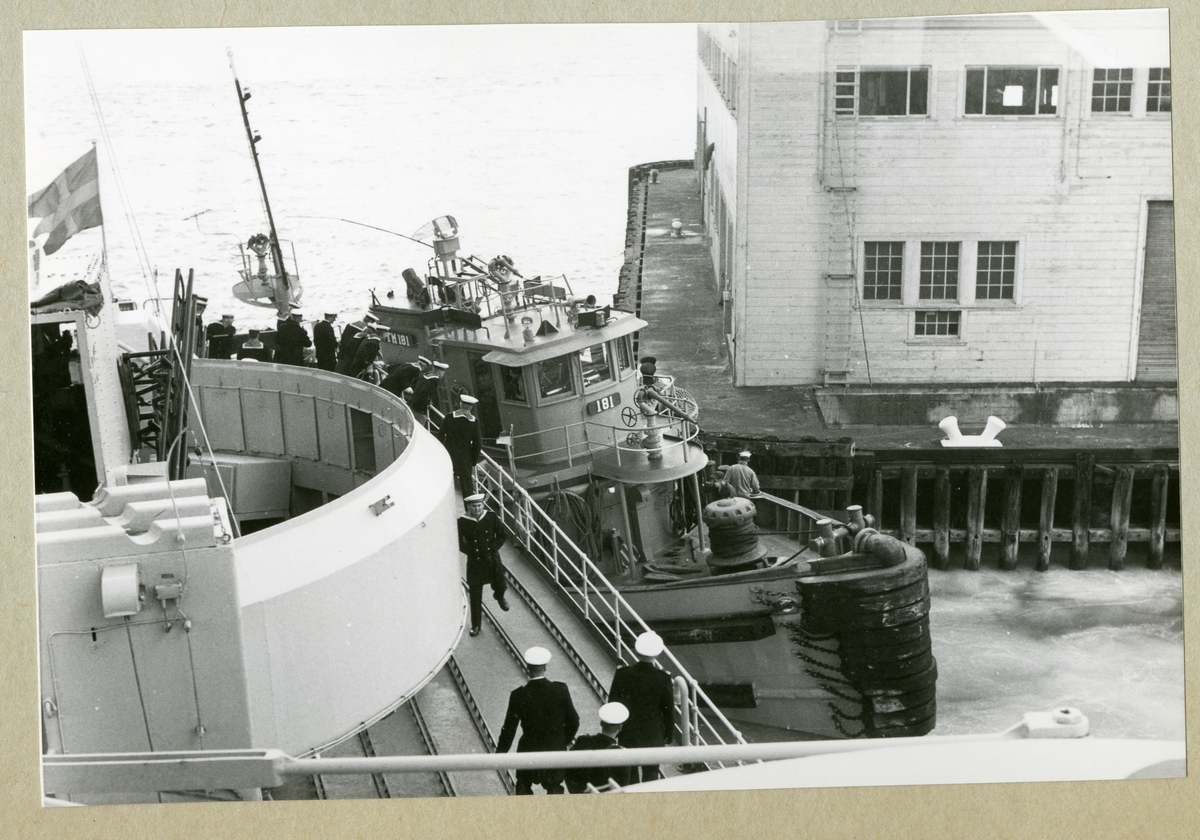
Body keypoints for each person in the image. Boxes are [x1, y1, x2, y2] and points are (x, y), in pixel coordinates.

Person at [496, 647, 580, 795]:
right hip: (555, 751)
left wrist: (500, 754)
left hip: (529, 750)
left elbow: (509, 729)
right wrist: (562, 741)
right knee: (554, 788)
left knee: (523, 785)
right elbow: (574, 721)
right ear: (545, 667)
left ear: (527, 667)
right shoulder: (560, 690)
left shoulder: (518, 695)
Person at [607, 631, 675, 783]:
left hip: (627, 732)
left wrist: (613, 730)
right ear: (657, 653)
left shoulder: (622, 674)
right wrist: (669, 734)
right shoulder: (663, 678)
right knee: (651, 774)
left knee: (629, 775)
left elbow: (612, 703)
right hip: (653, 734)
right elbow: (668, 710)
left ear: (637, 650)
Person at [457, 493, 510, 637]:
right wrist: (469, 551)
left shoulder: (491, 517)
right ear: (469, 507)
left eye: (479, 505)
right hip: (475, 561)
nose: (478, 509)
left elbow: (502, 534)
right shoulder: (462, 522)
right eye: (474, 506)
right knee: (475, 595)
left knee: (500, 583)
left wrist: (493, 548)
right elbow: (458, 541)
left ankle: (499, 597)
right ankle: (476, 625)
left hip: (491, 558)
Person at [565, 702, 633, 793]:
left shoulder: (582, 741)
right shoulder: (622, 754)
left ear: (601, 723)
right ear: (621, 727)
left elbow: (568, 772)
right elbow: (624, 786)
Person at [438, 394, 484, 496]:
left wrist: (440, 453)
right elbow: (478, 445)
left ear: (460, 404)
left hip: (448, 453)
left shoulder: (449, 417)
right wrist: (472, 460)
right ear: (471, 407)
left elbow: (440, 436)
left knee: (445, 479)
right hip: (465, 457)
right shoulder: (474, 422)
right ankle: (469, 508)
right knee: (467, 486)